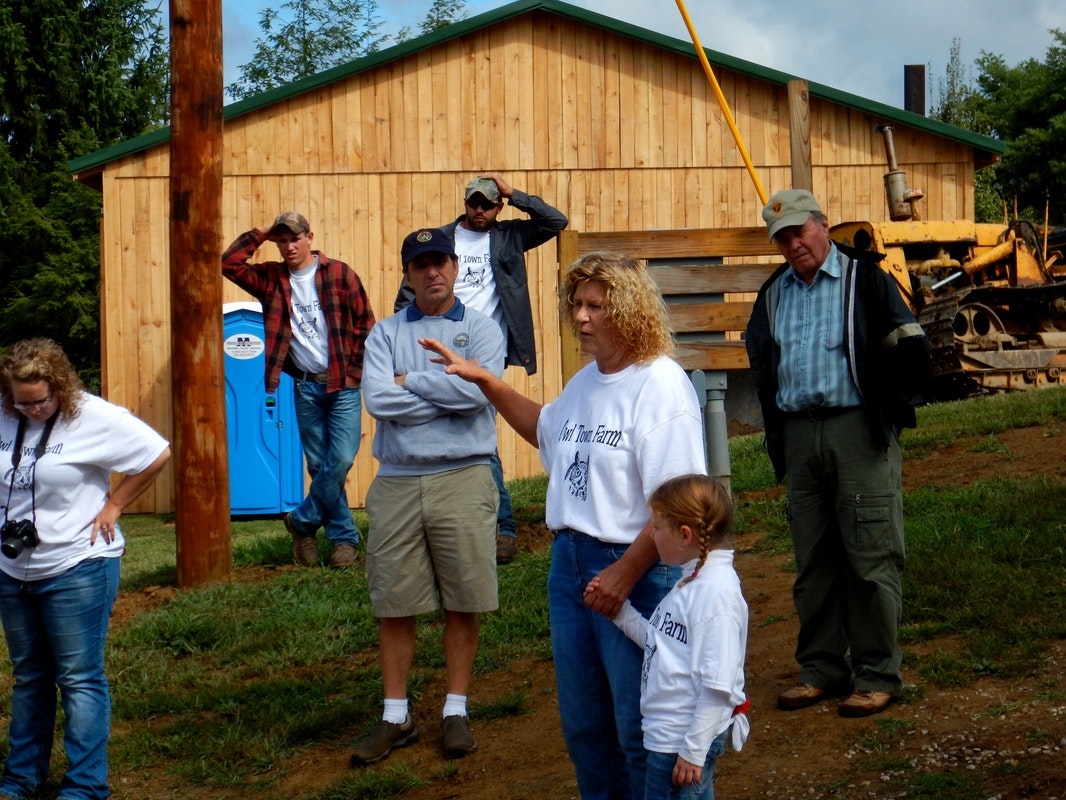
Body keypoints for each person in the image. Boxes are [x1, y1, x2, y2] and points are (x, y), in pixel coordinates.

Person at [422, 252, 708, 800]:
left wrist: (624, 573)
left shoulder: (660, 385)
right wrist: (487, 382)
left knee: (645, 730)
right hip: (572, 568)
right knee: (586, 731)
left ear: (628, 311)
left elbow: (676, 506)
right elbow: (546, 429)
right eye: (576, 304)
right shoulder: (584, 383)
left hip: (638, 572)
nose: (580, 316)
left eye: (595, 306)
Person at [745, 189, 931, 718]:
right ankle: (823, 669)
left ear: (823, 225)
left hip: (856, 430)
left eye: (800, 230)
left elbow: (912, 345)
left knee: (871, 554)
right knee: (814, 559)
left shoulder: (864, 278)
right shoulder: (774, 293)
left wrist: (889, 411)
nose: (793, 243)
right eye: (782, 237)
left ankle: (878, 674)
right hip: (800, 436)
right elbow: (763, 362)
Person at [350, 227, 505, 766]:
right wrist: (446, 392)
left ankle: (455, 710)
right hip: (395, 480)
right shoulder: (384, 333)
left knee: (463, 598)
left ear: (455, 267)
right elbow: (376, 400)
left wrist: (409, 382)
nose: (432, 271)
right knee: (395, 602)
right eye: (421, 264)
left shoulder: (483, 330)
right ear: (408, 273)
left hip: (464, 477)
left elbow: (478, 392)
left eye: (440, 261)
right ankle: (397, 716)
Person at [0, 338, 171, 800]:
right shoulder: (4, 413)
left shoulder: (92, 416)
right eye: (22, 402)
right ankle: (21, 781)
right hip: (13, 570)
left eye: (41, 401)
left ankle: (85, 785)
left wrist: (115, 505)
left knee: (78, 677)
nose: (32, 410)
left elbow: (156, 453)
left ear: (60, 388)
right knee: (30, 676)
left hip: (78, 563)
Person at [395, 172, 569, 565]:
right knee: (445, 429)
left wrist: (515, 193)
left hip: (484, 352)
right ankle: (459, 523)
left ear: (498, 205)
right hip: (437, 345)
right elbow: (408, 294)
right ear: (464, 202)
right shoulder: (442, 238)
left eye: (488, 203)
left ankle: (501, 527)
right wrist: (406, 341)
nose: (479, 209)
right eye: (474, 202)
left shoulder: (509, 236)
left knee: (478, 431)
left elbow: (555, 222)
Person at [222, 210, 375, 569]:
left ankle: (301, 521)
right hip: (304, 387)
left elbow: (365, 325)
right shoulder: (271, 278)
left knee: (339, 459)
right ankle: (343, 541)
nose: (289, 246)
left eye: (295, 238)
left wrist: (354, 374)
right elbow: (229, 264)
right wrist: (259, 233)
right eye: (282, 240)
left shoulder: (339, 274)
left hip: (342, 385)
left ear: (310, 237)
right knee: (320, 463)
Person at [586, 474, 749, 800]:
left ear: (684, 535)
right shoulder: (692, 582)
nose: (652, 536)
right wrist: (620, 613)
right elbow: (663, 645)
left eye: (657, 528)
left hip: (681, 743)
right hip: (669, 739)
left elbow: (718, 684)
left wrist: (693, 750)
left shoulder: (715, 594)